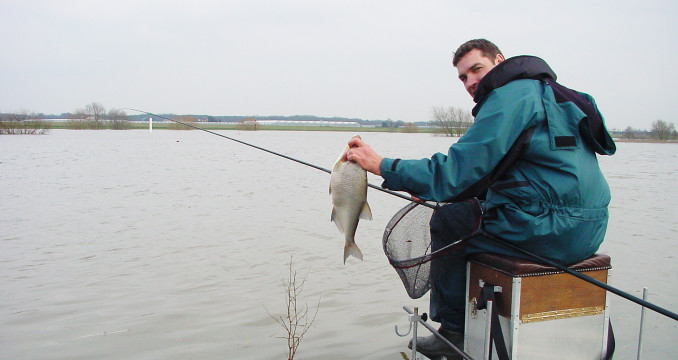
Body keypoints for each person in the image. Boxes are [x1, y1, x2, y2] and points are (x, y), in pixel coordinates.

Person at [346, 39, 616, 359]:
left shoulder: (509, 96)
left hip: (544, 231)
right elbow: (521, 170)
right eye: (463, 77)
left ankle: (454, 331)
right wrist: (431, 185)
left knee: (449, 220)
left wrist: (382, 165)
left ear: (499, 61)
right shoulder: (561, 96)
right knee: (464, 208)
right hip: (588, 230)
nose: (471, 81)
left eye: (477, 69)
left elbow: (453, 172)